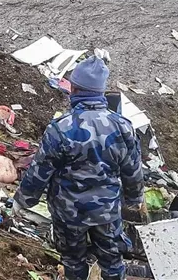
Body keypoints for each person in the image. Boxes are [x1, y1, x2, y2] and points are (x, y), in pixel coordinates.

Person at [11, 56, 144, 280]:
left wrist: (23, 200)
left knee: (73, 261)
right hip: (106, 211)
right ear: (101, 91)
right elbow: (132, 170)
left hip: (68, 213)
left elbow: (40, 172)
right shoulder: (123, 127)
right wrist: (134, 198)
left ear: (73, 89)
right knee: (112, 262)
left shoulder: (60, 128)